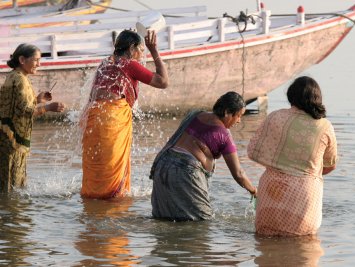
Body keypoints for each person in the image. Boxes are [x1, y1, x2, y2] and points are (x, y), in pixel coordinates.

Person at [80, 29, 168, 199]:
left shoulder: (105, 64)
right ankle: (112, 208)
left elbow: (92, 97)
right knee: (112, 171)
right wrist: (154, 50)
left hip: (94, 119)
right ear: (131, 48)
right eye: (141, 50)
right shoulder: (129, 64)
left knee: (96, 168)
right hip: (112, 121)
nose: (142, 54)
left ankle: (92, 208)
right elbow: (163, 82)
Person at [247, 76, 338, 236]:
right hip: (304, 195)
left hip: (271, 190)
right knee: (304, 247)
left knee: (265, 243)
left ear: (291, 96)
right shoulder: (325, 126)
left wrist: (280, 165)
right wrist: (307, 173)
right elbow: (330, 165)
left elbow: (254, 149)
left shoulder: (275, 117)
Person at [150, 91, 257, 221]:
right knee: (202, 222)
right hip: (186, 172)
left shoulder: (195, 114)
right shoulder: (224, 134)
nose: (239, 121)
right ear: (227, 112)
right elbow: (238, 173)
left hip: (162, 164)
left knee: (164, 218)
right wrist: (253, 190)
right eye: (239, 116)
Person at [0, 43, 65, 193]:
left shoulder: (15, 76)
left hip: (8, 138)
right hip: (13, 141)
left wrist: (37, 100)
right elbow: (25, 111)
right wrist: (48, 108)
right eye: (36, 60)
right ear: (22, 60)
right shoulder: (20, 80)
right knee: (11, 186)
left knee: (9, 183)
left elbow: (16, 106)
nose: (39, 64)